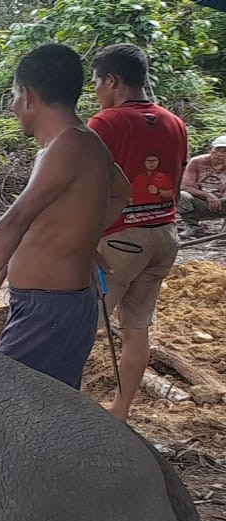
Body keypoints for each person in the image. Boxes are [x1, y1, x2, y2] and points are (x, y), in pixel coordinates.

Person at [0, 43, 131, 391]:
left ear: (28, 96)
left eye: (14, 95)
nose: (13, 107)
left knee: (10, 406)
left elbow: (14, 221)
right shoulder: (83, 142)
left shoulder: (68, 145)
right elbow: (122, 191)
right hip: (52, 305)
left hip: (50, 309)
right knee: (44, 407)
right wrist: (83, 239)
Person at [87, 42, 189, 420]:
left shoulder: (105, 123)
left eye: (97, 83)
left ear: (112, 80)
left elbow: (88, 186)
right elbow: (175, 182)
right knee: (137, 328)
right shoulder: (174, 123)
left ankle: (64, 406)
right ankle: (121, 409)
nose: (97, 93)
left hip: (120, 240)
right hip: (164, 235)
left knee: (82, 324)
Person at [177, 135, 226, 239]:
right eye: (217, 150)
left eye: (224, 151)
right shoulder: (197, 162)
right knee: (182, 195)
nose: (220, 154)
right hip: (200, 201)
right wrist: (208, 196)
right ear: (210, 150)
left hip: (222, 202)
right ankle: (192, 226)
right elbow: (185, 186)